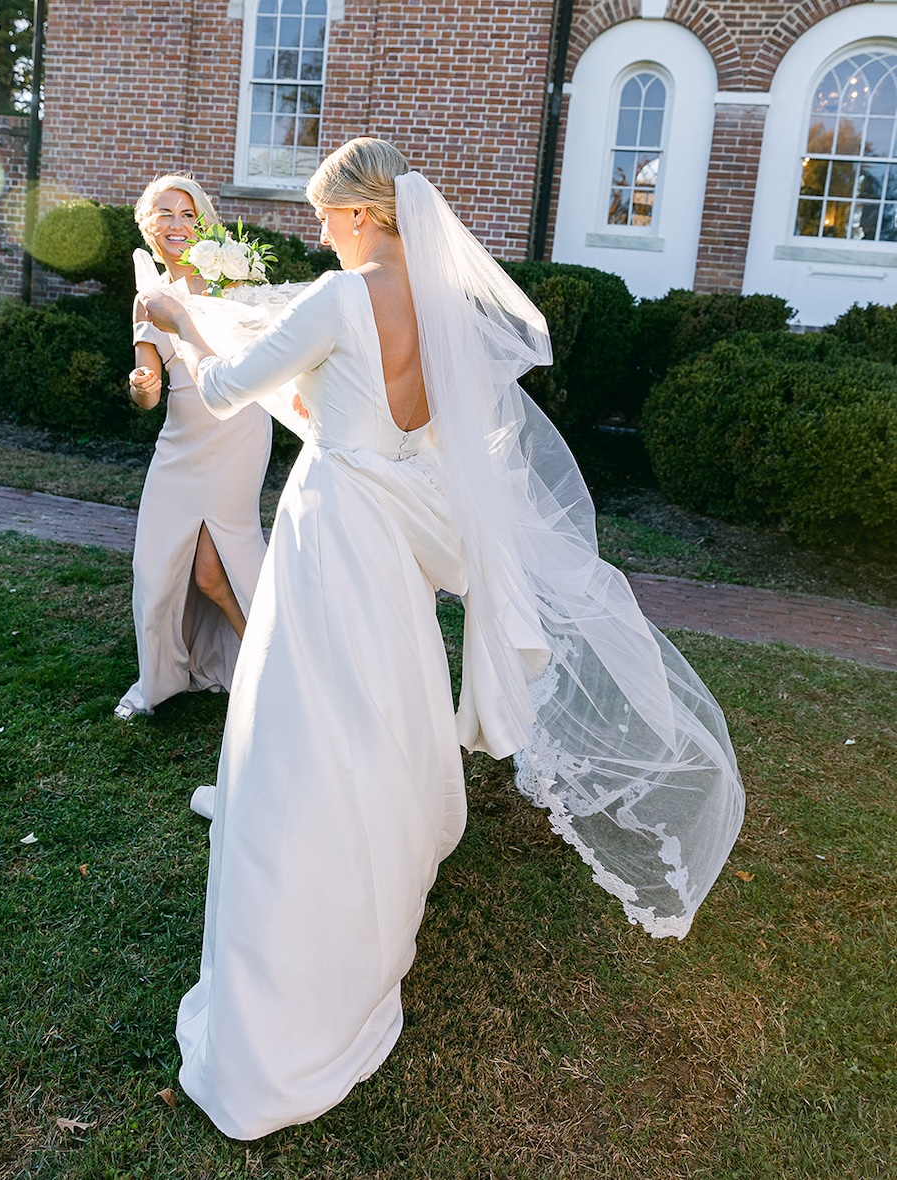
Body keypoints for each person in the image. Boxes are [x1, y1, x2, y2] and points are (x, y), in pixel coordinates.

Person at [142, 138, 745, 1140]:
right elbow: (371, 414)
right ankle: (389, 820)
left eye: (327, 216)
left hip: (334, 524)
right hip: (384, 527)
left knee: (310, 702)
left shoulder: (341, 298)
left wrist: (178, 319)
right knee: (381, 687)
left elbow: (224, 391)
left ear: (364, 216)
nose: (321, 231)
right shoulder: (435, 306)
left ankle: (306, 903)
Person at [113, 173, 272, 721]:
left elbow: (253, 363)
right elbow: (147, 387)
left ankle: (273, 671)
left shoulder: (235, 278)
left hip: (236, 430)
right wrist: (141, 387)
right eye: (165, 214)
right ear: (148, 224)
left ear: (201, 221)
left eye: (187, 214)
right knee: (155, 570)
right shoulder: (148, 299)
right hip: (180, 441)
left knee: (213, 569)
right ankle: (162, 676)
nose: (176, 224)